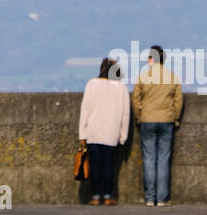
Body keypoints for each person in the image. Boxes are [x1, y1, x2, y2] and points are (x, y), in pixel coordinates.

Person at [133, 44, 183, 206]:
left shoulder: (143, 77)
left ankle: (150, 197)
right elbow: (178, 101)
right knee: (163, 159)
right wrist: (175, 117)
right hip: (166, 120)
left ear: (151, 59)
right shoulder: (172, 77)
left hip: (147, 119)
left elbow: (136, 99)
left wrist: (139, 116)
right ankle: (162, 198)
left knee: (149, 159)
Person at [78, 58, 131, 205]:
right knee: (109, 166)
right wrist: (123, 136)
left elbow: (85, 110)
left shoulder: (91, 84)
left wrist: (82, 134)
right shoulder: (121, 88)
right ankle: (108, 196)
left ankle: (95, 197)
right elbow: (126, 115)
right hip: (111, 132)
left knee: (95, 165)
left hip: (93, 131)